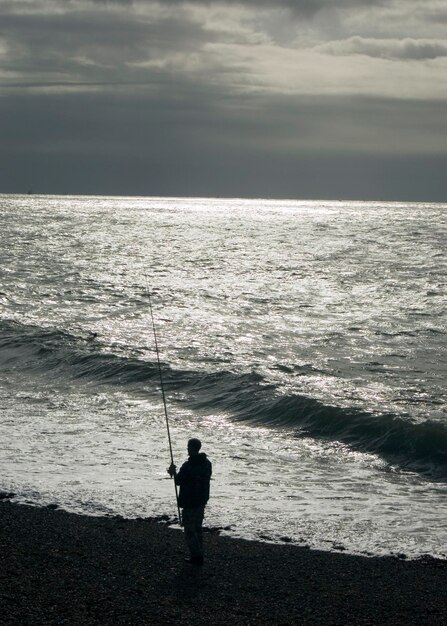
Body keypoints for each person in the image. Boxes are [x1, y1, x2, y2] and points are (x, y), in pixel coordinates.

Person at [168, 438, 212, 565]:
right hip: (201, 500)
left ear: (193, 448)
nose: (187, 449)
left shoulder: (188, 466)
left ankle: (196, 557)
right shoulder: (207, 464)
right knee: (198, 528)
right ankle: (199, 554)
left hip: (190, 501)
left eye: (188, 447)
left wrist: (173, 472)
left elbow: (178, 481)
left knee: (189, 530)